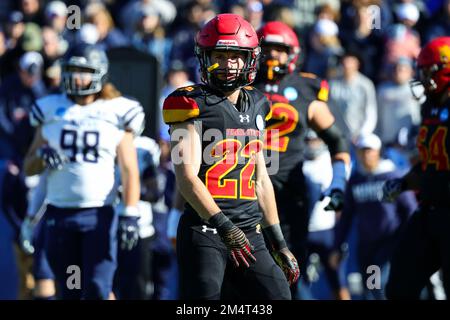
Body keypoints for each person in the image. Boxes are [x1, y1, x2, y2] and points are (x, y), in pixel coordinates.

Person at [162, 13, 299, 300]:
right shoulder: (188, 103)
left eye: (234, 56)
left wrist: (279, 242)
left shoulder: (259, 103)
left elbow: (261, 178)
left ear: (249, 59)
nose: (227, 64)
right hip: (205, 230)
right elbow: (186, 178)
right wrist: (224, 227)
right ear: (204, 57)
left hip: (251, 232)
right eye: (219, 56)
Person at [23, 45, 144, 299]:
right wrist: (43, 157)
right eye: (71, 71)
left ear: (99, 74)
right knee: (69, 290)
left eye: (83, 72)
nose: (76, 78)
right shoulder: (50, 108)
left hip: (98, 214)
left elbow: (129, 168)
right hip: (59, 213)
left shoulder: (118, 110)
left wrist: (130, 213)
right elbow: (29, 166)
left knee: (98, 288)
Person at [253, 21, 350, 298]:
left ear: (292, 53)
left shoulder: (306, 87)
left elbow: (337, 140)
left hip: (288, 191)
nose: (273, 56)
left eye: (280, 50)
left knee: (289, 275)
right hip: (245, 193)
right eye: (267, 49)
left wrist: (339, 181)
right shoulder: (242, 86)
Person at [383, 36, 450, 299]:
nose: (422, 77)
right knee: (399, 286)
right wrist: (403, 183)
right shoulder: (430, 108)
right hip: (431, 209)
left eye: (426, 70)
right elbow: (430, 163)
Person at [331, 133, 417, 300]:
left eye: (369, 150)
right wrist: (337, 246)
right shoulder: (356, 180)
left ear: (377, 152)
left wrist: (410, 241)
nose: (366, 155)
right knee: (369, 287)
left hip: (389, 242)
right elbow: (347, 215)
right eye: (362, 151)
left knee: (378, 286)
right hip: (366, 244)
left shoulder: (391, 177)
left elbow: (410, 210)